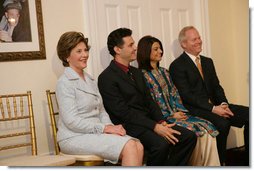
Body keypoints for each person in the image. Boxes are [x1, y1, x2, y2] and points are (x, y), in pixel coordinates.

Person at [98, 28, 197, 166]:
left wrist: (161, 121)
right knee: (161, 145)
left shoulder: (136, 72)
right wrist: (154, 126)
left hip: (148, 122)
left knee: (188, 137)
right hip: (129, 126)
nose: (135, 48)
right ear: (117, 50)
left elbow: (149, 101)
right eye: (130, 45)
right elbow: (123, 112)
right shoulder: (106, 77)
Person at [55, 31, 144, 166]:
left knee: (138, 146)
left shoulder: (90, 79)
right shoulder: (64, 82)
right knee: (130, 146)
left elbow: (101, 111)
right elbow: (71, 121)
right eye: (79, 51)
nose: (85, 55)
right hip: (73, 137)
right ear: (67, 56)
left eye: (85, 50)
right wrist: (105, 129)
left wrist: (111, 128)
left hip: (94, 133)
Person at [169, 26, 249, 165]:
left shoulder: (207, 61)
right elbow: (187, 96)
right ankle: (220, 162)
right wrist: (213, 109)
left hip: (217, 105)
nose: (199, 41)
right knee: (223, 124)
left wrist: (223, 104)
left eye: (199, 37)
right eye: (194, 39)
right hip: (196, 109)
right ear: (184, 44)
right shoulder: (177, 65)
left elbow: (217, 87)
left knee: (249, 114)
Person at [137, 35, 220, 166]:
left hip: (177, 113)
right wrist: (170, 115)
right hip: (163, 119)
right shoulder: (141, 76)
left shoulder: (165, 72)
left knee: (207, 127)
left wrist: (179, 111)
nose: (160, 52)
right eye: (156, 49)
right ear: (145, 51)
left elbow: (175, 93)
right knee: (196, 132)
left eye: (160, 48)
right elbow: (150, 102)